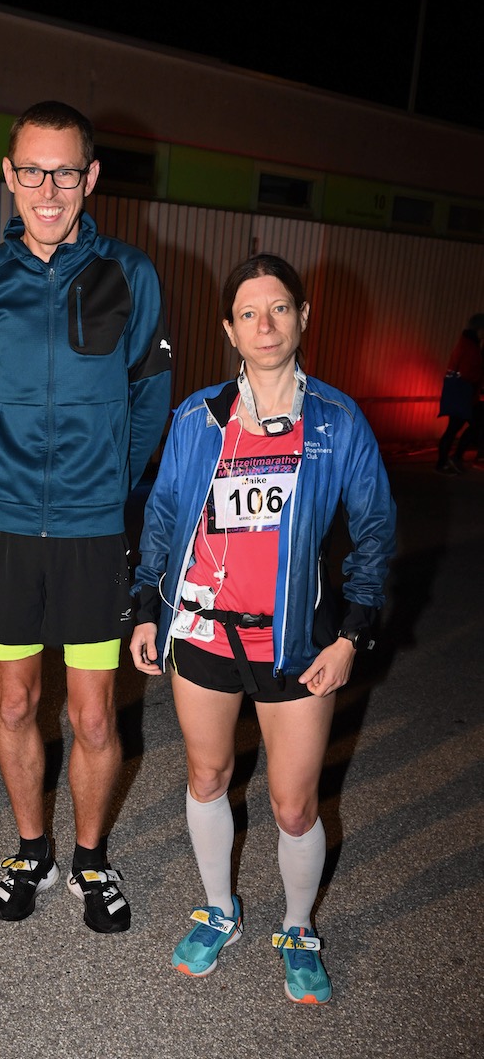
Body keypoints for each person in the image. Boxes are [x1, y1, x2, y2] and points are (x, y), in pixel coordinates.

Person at [130, 253, 395, 1002]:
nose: (265, 324)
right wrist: (149, 608)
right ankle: (219, 910)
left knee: (292, 803)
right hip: (203, 634)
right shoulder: (197, 418)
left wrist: (351, 637)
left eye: (279, 308)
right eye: (249, 313)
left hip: (296, 644)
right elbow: (161, 517)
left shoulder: (337, 423)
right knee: (208, 776)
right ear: (229, 329)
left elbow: (374, 532)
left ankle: (300, 925)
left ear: (304, 317)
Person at [0, 100, 172, 933]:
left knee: (90, 713)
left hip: (90, 529)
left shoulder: (132, 274)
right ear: (9, 175)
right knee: (14, 703)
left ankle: (90, 860)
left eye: (66, 171)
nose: (49, 189)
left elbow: (151, 398)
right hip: (8, 526)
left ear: (91, 178)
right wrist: (7, 465)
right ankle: (30, 849)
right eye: (32, 171)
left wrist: (107, 485)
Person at [435, 314, 484, 472]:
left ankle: (449, 460)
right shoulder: (470, 347)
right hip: (463, 395)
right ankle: (445, 461)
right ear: (479, 330)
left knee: (461, 427)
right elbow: (469, 372)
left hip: (462, 395)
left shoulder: (468, 344)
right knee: (459, 427)